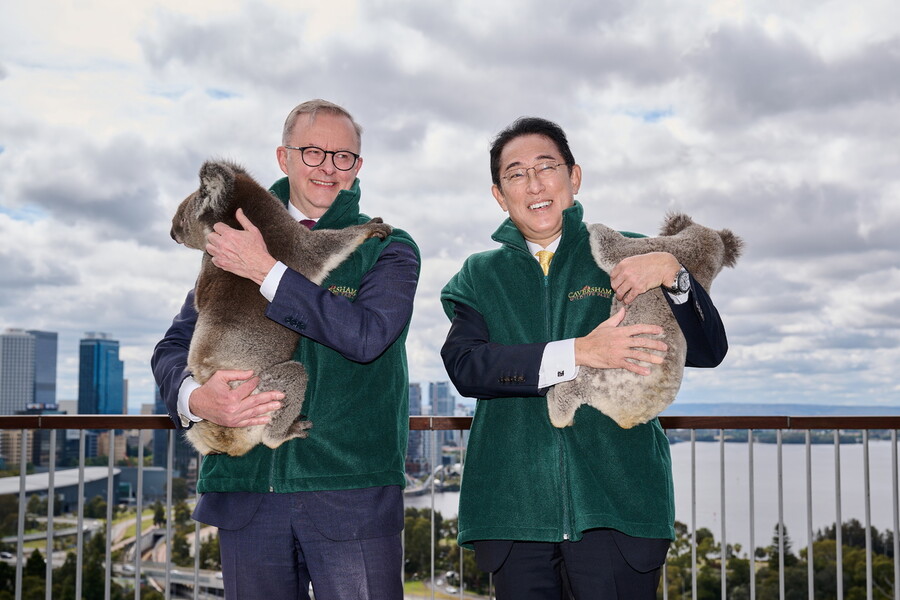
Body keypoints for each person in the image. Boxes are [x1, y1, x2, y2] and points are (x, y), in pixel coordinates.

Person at [440, 116, 728, 599]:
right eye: (515, 173)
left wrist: (674, 274)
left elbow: (708, 350)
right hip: (514, 514)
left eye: (546, 167)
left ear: (574, 177)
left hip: (619, 507)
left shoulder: (632, 253)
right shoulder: (478, 275)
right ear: (498, 193)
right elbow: (467, 367)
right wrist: (578, 352)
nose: (533, 183)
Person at [152, 99, 419, 600]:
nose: (328, 166)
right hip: (245, 491)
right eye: (313, 151)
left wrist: (267, 271)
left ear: (358, 167)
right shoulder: (226, 246)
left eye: (343, 156)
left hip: (349, 494)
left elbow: (367, 337)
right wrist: (194, 397)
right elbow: (172, 347)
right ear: (284, 158)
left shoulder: (386, 247)